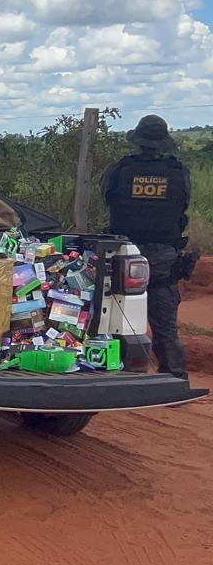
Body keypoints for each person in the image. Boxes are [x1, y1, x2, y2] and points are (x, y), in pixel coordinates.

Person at [100, 114, 192, 378]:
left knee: (114, 314)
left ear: (138, 140)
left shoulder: (119, 169)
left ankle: (115, 375)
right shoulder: (178, 171)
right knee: (165, 324)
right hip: (164, 255)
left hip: (124, 252)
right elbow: (183, 204)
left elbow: (107, 198)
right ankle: (174, 377)